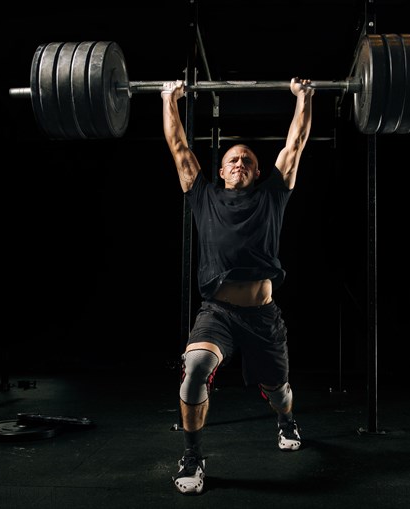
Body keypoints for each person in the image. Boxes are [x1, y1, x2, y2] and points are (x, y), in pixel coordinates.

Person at [161, 77, 314, 495]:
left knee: (279, 391)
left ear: (258, 170)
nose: (239, 163)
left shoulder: (273, 196)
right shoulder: (202, 195)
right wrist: (167, 97)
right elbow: (178, 147)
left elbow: (295, 144)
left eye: (247, 159)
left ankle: (285, 419)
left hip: (262, 315)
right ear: (221, 169)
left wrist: (303, 98)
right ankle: (193, 455)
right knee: (193, 370)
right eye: (232, 159)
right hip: (218, 313)